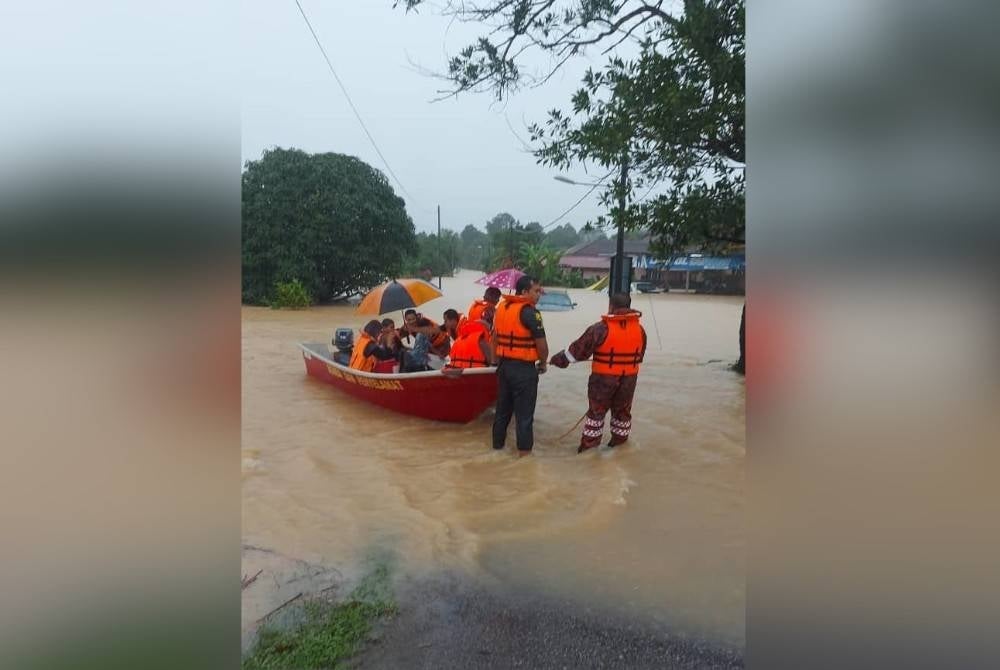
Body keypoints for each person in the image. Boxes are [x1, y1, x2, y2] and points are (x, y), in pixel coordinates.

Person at [549, 293, 647, 453]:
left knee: (596, 415)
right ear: (630, 307)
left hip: (603, 381)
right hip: (629, 381)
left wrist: (557, 360)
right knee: (622, 414)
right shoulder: (640, 330)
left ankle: (588, 452)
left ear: (611, 306)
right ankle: (619, 447)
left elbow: (576, 353)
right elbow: (639, 356)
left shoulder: (600, 328)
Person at [491, 274, 548, 455]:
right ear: (524, 292)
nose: (539, 295)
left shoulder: (501, 307)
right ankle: (524, 458)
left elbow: (494, 338)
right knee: (524, 416)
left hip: (504, 367)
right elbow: (542, 345)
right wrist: (544, 363)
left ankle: (497, 449)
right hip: (524, 370)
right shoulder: (531, 313)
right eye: (536, 291)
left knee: (502, 412)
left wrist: (495, 362)